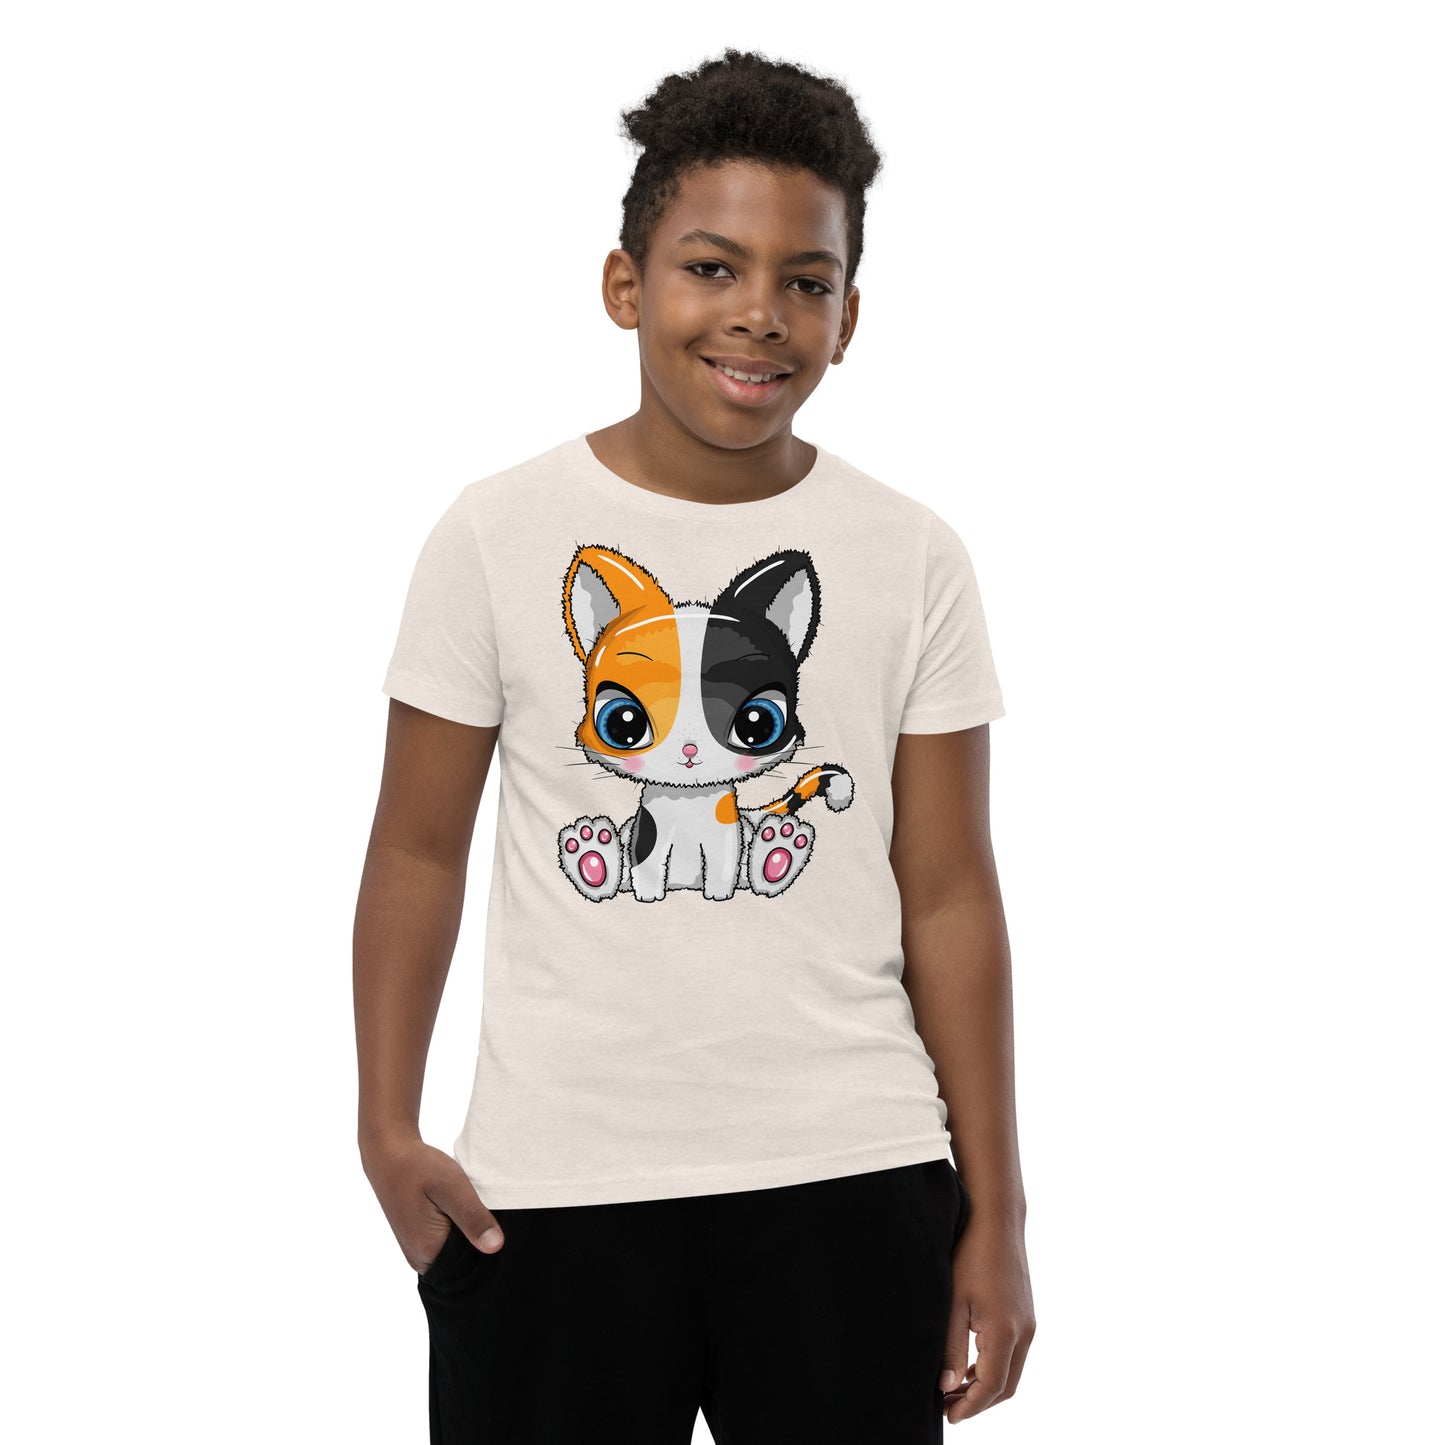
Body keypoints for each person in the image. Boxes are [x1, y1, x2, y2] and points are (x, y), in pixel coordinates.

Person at [354, 46, 1035, 1444]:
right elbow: (416, 848)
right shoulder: (495, 534)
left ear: (850, 315)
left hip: (851, 1173)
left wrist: (999, 1207)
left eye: (807, 281)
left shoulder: (910, 556)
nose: (759, 315)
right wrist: (385, 1127)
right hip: (552, 1191)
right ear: (626, 284)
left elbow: (950, 889)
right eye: (712, 268)